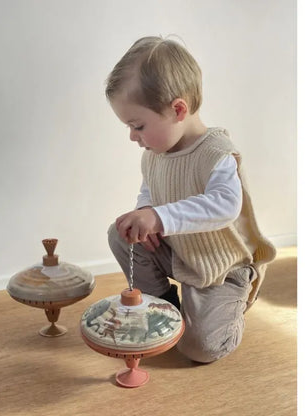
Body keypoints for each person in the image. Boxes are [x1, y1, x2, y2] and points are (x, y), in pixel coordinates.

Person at [106, 36, 276, 363]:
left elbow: (225, 205)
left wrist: (158, 218)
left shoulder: (216, 153)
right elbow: (152, 190)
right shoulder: (155, 154)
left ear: (178, 109)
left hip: (221, 267)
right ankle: (164, 307)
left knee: (200, 349)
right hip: (183, 254)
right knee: (121, 234)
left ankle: (232, 311)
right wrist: (145, 212)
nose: (132, 136)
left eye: (137, 125)